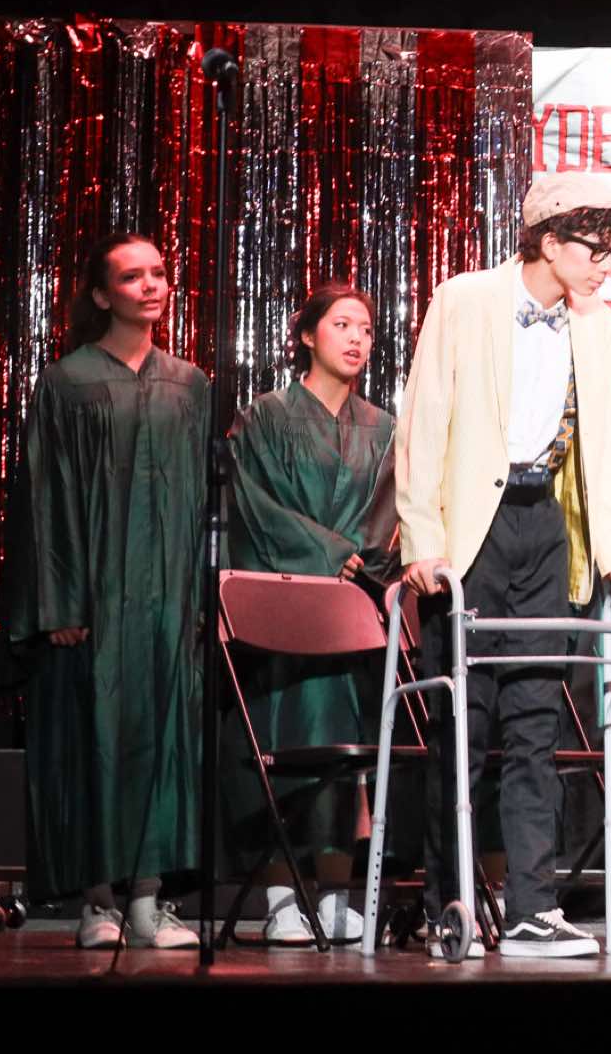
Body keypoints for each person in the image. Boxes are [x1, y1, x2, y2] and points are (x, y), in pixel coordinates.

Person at [395, 174, 611, 959]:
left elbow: (603, 446)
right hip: (472, 530)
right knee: (464, 725)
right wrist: (422, 539)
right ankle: (451, 902)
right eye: (597, 248)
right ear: (548, 240)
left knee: (536, 721)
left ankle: (533, 907)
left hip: (545, 525)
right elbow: (423, 421)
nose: (608, 263)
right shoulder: (466, 299)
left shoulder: (598, 324)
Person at [8, 232, 208, 950]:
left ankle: (149, 899)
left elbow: (199, 502)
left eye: (159, 272)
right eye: (131, 276)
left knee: (161, 740)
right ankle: (98, 902)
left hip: (167, 601)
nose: (151, 285)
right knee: (95, 739)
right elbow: (44, 497)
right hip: (93, 600)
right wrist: (59, 602)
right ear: (101, 294)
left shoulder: (189, 383)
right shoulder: (67, 382)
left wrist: (196, 601)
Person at [224, 283, 399, 943]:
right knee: (278, 742)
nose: (357, 338)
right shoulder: (264, 417)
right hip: (284, 610)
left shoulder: (384, 427)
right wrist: (332, 551)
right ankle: (278, 898)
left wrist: (359, 560)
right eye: (342, 324)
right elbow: (254, 507)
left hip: (351, 613)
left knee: (348, 752)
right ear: (307, 334)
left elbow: (390, 516)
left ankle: (334, 896)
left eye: (366, 329)